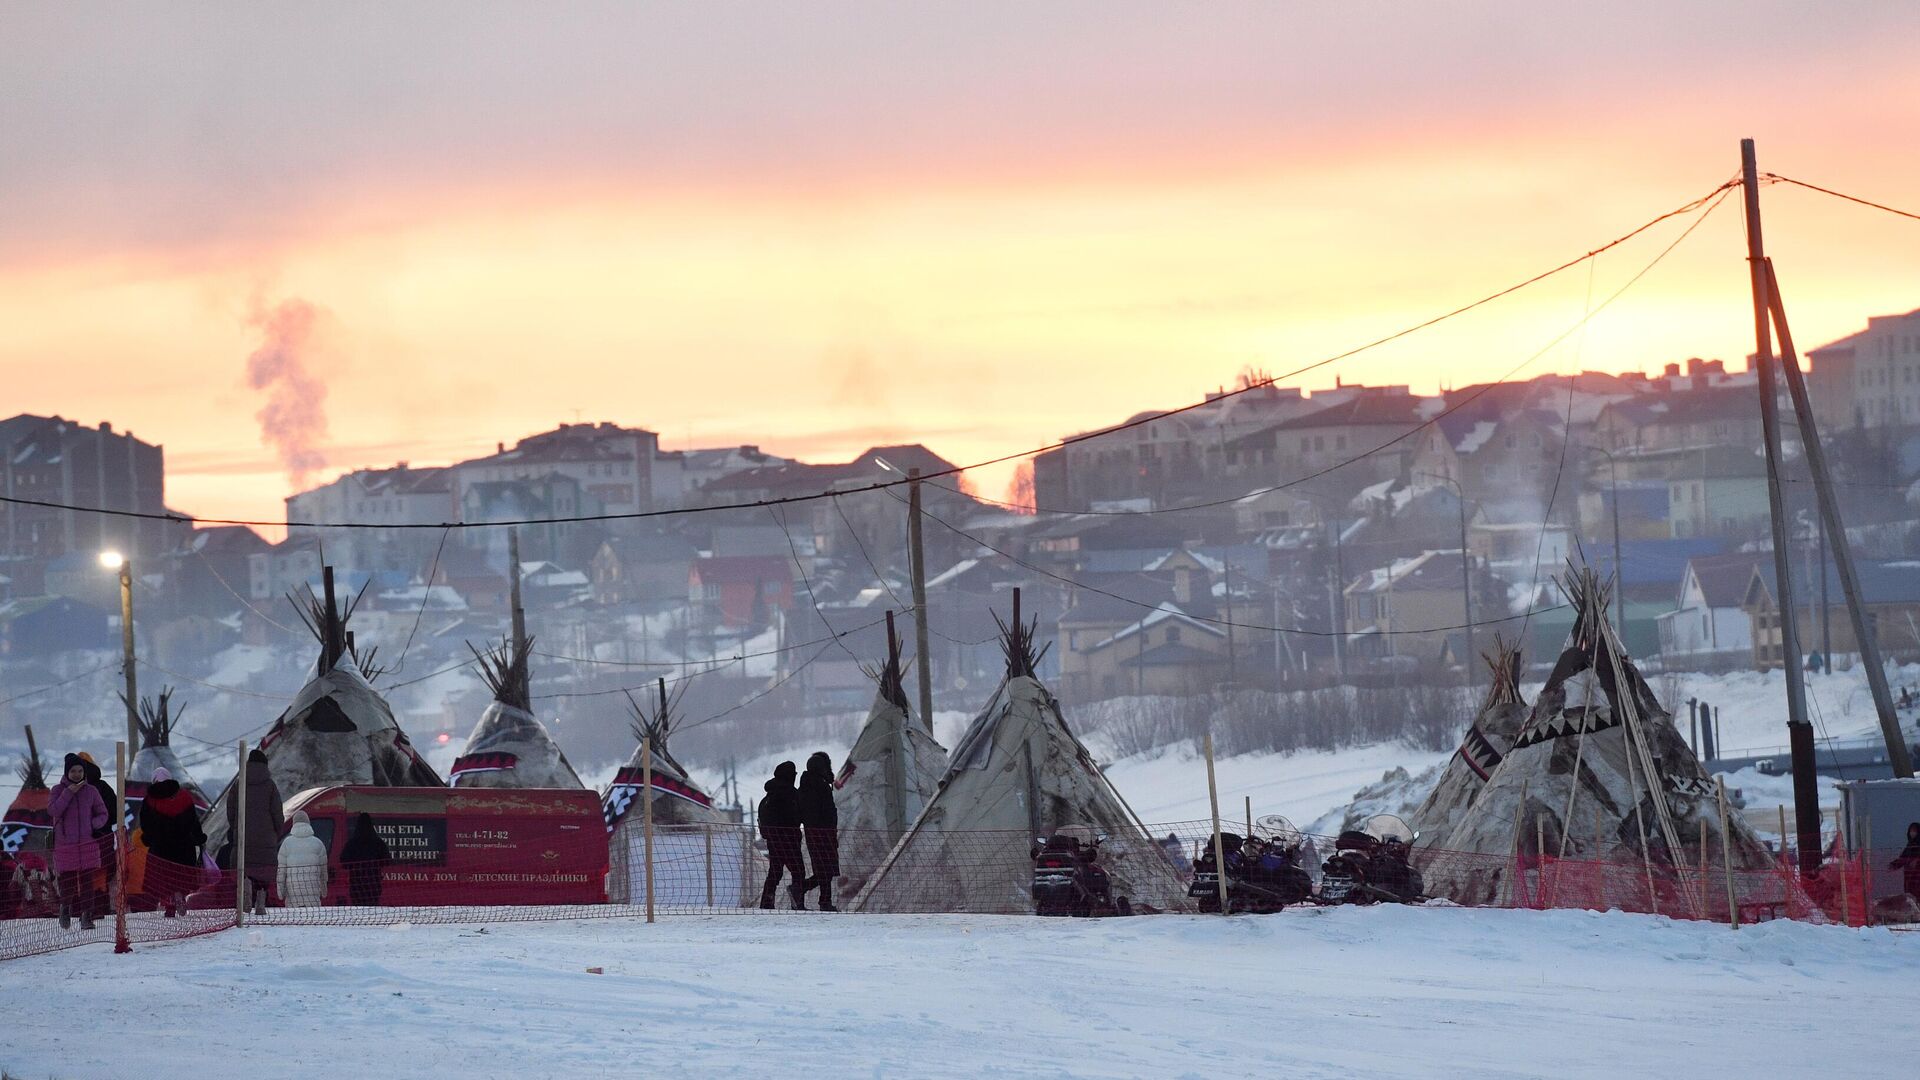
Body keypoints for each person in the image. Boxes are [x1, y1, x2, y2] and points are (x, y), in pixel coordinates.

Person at [48, 754, 108, 930]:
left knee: (87, 882)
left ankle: (86, 917)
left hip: (88, 844)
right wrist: (69, 793)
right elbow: (53, 810)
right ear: (67, 772)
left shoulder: (91, 791)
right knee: (68, 882)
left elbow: (103, 813)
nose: (76, 774)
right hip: (66, 845)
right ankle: (65, 909)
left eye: (80, 770)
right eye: (73, 771)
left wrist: (93, 825)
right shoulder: (57, 790)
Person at [138, 766, 205, 917]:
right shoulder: (184, 797)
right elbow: (194, 821)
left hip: (160, 848)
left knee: (164, 880)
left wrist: (148, 838)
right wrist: (199, 837)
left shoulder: (150, 800)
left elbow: (145, 824)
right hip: (183, 847)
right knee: (181, 877)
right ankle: (180, 895)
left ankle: (169, 905)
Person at [225, 748, 284, 915]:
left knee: (246, 868)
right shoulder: (270, 785)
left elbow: (230, 811)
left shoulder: (238, 784)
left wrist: (236, 828)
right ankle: (260, 897)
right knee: (264, 871)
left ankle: (247, 887)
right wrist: (276, 831)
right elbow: (277, 813)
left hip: (244, 837)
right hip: (266, 838)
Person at [75, 751, 119, 922]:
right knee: (100, 874)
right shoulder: (103, 787)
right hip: (103, 838)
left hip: (78, 840)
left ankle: (84, 908)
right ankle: (100, 906)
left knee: (81, 875)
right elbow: (115, 813)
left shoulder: (70, 790)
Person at [757, 760, 806, 910]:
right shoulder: (792, 794)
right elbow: (799, 815)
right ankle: (797, 902)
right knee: (798, 871)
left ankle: (766, 901)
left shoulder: (768, 796)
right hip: (790, 839)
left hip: (773, 840)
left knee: (775, 871)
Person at [797, 751, 841, 911]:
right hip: (824, 833)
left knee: (823, 869)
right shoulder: (821, 786)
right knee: (826, 869)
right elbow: (827, 811)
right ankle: (821, 899)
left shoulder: (805, 787)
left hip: (813, 832)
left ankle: (810, 894)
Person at [275, 810, 330, 908]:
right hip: (313, 896)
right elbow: (323, 872)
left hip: (293, 896)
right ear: (308, 823)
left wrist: (281, 893)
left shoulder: (286, 844)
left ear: (293, 824)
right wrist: (324, 890)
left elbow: (281, 872)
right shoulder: (318, 843)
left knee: (295, 921)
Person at [340, 812, 389, 906]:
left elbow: (343, 861)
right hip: (374, 884)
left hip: (356, 884)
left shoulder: (352, 843)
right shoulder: (378, 843)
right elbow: (387, 861)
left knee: (358, 912)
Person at [1890, 821, 1920, 901]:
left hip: (1917, 876)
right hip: (1909, 876)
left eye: (1914, 831)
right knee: (1911, 897)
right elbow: (1903, 858)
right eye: (1911, 830)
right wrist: (1894, 865)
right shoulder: (1909, 845)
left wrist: (1916, 861)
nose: (1912, 833)